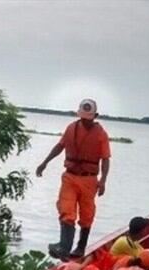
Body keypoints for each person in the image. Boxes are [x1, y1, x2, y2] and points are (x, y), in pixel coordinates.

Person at [36, 98, 111, 260]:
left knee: (87, 214)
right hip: (70, 176)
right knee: (66, 209)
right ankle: (64, 247)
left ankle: (80, 247)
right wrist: (44, 163)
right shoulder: (71, 128)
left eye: (88, 118)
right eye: (83, 117)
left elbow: (105, 159)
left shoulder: (101, 134)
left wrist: (103, 180)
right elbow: (60, 146)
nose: (85, 121)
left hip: (89, 179)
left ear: (95, 116)